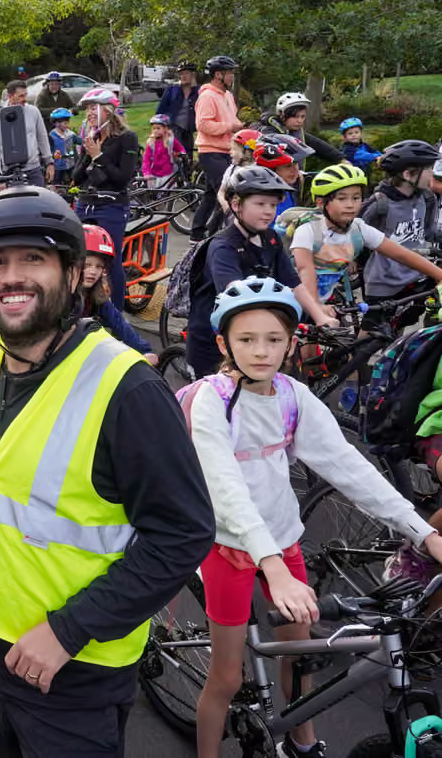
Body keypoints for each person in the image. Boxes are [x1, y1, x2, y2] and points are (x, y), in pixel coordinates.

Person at [0, 187, 214, 757]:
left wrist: (68, 631)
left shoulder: (127, 388)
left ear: (74, 275)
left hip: (74, 668)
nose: (11, 277)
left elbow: (182, 533)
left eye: (34, 259)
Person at [187, 276, 442, 758]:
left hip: (282, 542)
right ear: (223, 342)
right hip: (228, 547)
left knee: (300, 659)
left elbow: (348, 467)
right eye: (246, 339)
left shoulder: (291, 396)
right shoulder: (211, 401)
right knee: (224, 677)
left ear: (290, 343)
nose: (260, 351)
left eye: (274, 339)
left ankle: (301, 744)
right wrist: (273, 567)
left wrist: (423, 532)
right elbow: (225, 487)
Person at [184, 167, 335, 377]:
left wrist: (319, 316)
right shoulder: (223, 247)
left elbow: (293, 283)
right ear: (236, 204)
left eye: (273, 205)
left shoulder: (270, 238)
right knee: (213, 402)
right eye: (260, 204)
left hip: (252, 333)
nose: (268, 211)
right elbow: (236, 296)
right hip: (212, 338)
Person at [290, 163, 442, 305]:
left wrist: (439, 275)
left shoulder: (358, 228)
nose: (350, 204)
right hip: (290, 302)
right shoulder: (308, 231)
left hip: (321, 303)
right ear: (320, 202)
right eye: (342, 198)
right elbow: (305, 270)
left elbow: (401, 254)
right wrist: (316, 308)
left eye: (356, 198)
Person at [359, 140, 442, 332]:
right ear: (408, 174)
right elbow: (355, 235)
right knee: (372, 331)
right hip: (383, 281)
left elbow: (428, 233)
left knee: (401, 325)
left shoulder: (426, 199)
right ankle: (351, 361)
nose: (432, 174)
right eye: (428, 169)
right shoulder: (379, 204)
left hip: (415, 277)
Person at [72, 88, 139, 303]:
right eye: (87, 110)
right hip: (86, 203)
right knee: (79, 256)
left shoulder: (127, 139)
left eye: (93, 108)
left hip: (111, 206)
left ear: (108, 111)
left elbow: (122, 178)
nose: (88, 113)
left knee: (110, 260)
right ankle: (80, 306)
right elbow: (77, 177)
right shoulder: (91, 137)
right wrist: (89, 153)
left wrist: (98, 156)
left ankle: (115, 312)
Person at [80, 225, 155, 361]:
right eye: (87, 265)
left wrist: (144, 350)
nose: (93, 271)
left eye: (99, 266)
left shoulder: (96, 293)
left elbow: (118, 322)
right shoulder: (61, 295)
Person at [193, 55, 243, 242]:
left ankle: (197, 234)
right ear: (218, 75)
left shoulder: (228, 95)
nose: (232, 76)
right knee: (228, 193)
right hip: (211, 152)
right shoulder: (207, 96)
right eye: (229, 73)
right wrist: (231, 127)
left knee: (209, 196)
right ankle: (215, 236)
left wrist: (242, 127)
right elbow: (203, 125)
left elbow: (232, 119)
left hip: (226, 150)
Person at [0, 80, 54, 184]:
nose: (25, 99)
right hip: (10, 173)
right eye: (20, 96)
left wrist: (49, 163)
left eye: (25, 95)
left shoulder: (34, 112)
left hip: (34, 170)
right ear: (10, 96)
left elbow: (42, 138)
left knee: (39, 200)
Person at [257, 92, 344, 164]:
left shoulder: (295, 132)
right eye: (295, 116)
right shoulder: (268, 132)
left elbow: (319, 145)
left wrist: (341, 159)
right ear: (281, 114)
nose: (300, 121)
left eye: (303, 117)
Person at [155, 61, 200, 155]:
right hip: (173, 128)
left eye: (187, 73)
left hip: (188, 130)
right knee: (177, 156)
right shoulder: (172, 90)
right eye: (181, 74)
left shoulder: (198, 92)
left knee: (188, 158)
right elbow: (160, 111)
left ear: (193, 75)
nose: (183, 76)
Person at [217, 128, 262, 218]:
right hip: (232, 216)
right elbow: (221, 192)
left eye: (233, 149)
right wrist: (227, 208)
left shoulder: (260, 171)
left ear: (247, 152)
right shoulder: (231, 169)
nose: (230, 152)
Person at [140, 113, 186, 188]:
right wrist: (146, 172)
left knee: (167, 195)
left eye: (158, 128)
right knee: (155, 196)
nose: (155, 131)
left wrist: (181, 154)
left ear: (165, 129)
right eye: (154, 128)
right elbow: (146, 159)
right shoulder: (151, 143)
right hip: (153, 175)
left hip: (168, 174)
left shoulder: (170, 140)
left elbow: (180, 148)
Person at [48, 109, 81, 186]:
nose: (67, 125)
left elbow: (80, 141)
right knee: (56, 183)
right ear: (57, 123)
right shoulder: (52, 136)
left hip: (70, 164)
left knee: (72, 182)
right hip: (58, 166)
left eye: (67, 123)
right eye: (65, 123)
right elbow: (48, 150)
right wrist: (53, 154)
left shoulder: (70, 134)